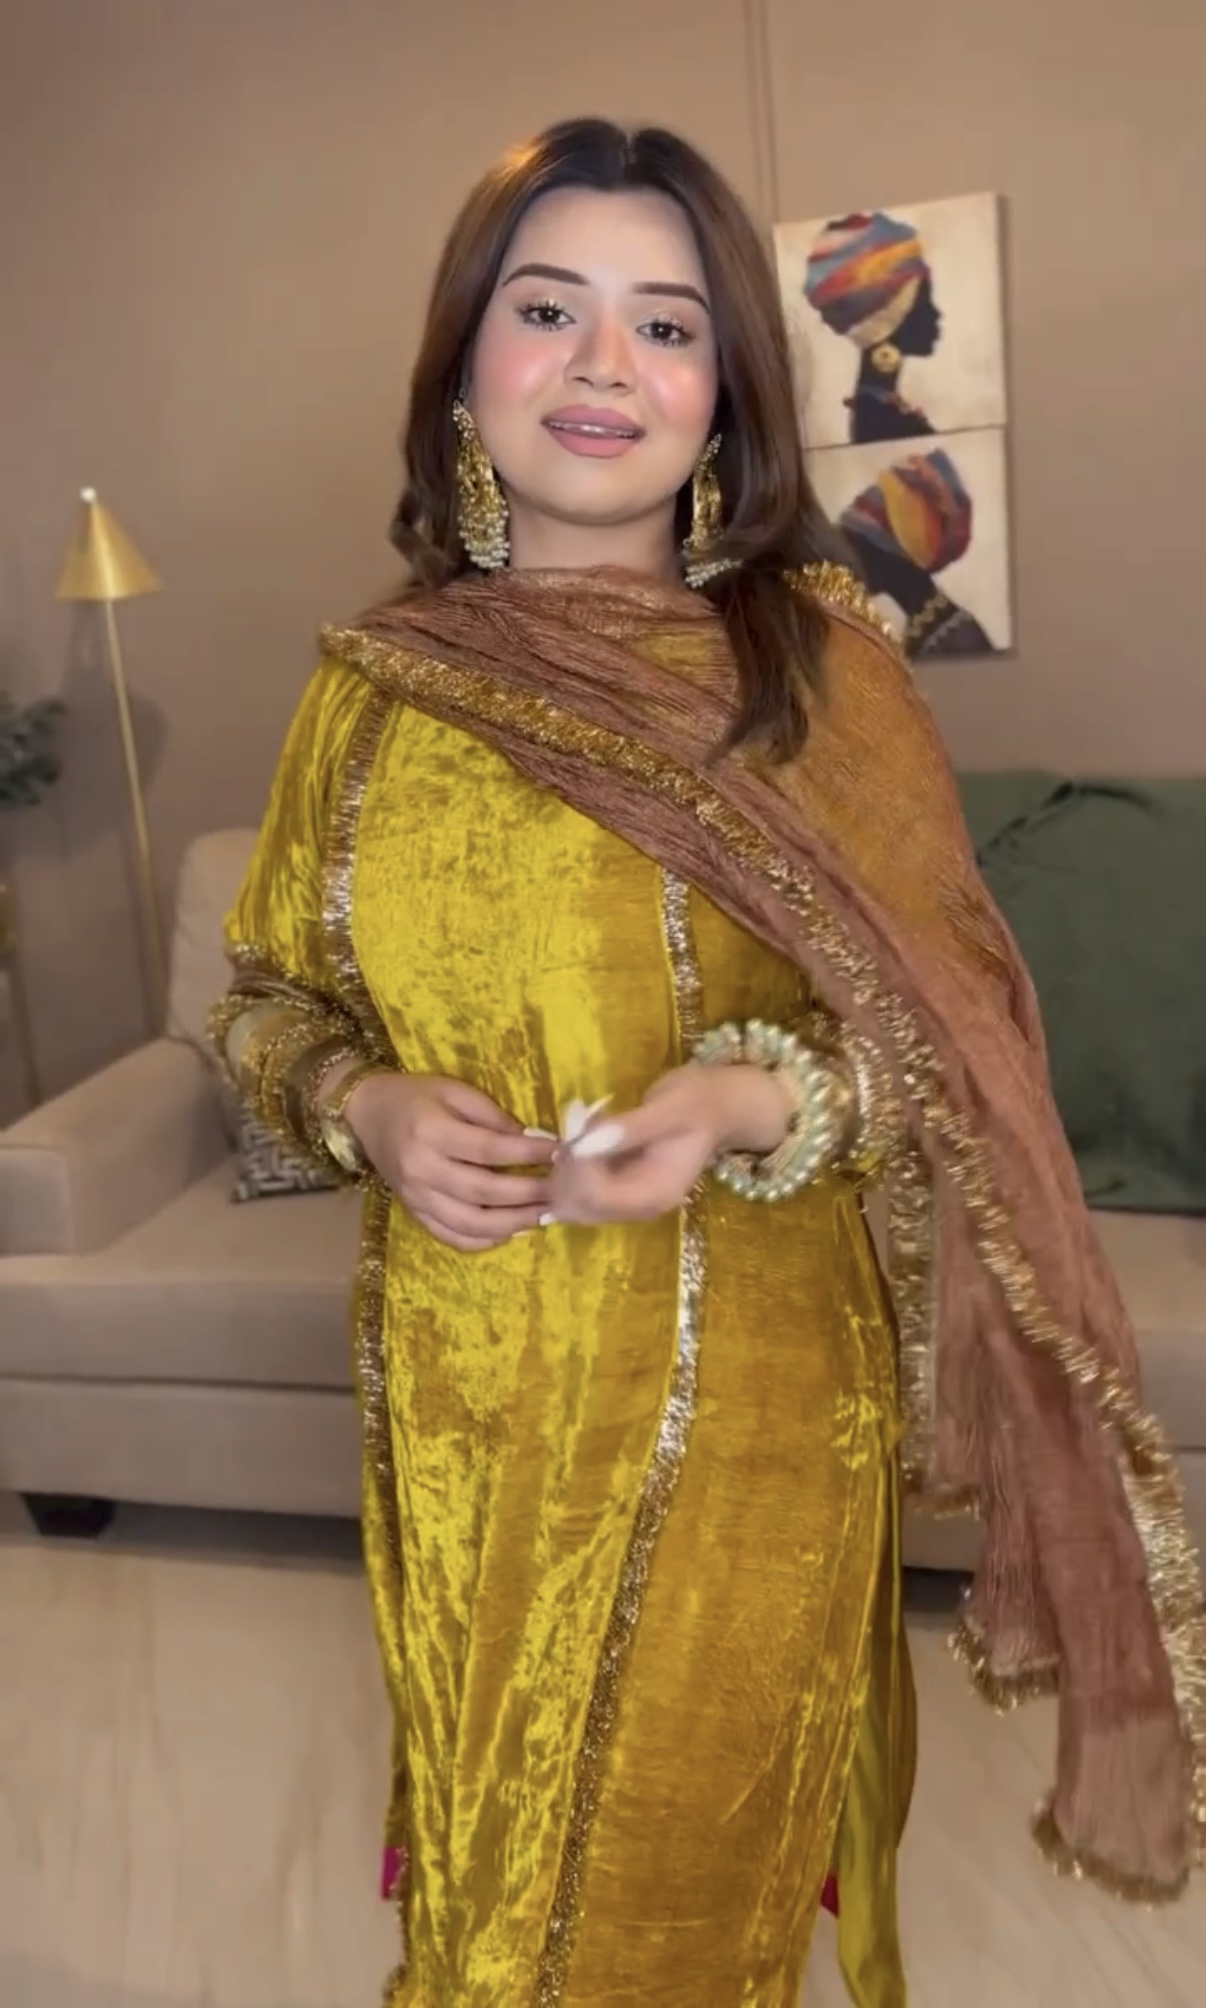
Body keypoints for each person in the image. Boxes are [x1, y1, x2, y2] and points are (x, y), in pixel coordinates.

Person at [210, 118, 1203, 2008]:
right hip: (460, 1408)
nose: (604, 365)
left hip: (743, 1401)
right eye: (547, 309)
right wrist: (364, 1104)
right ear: (462, 361)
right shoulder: (368, 689)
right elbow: (264, 1000)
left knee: (661, 1922)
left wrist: (750, 1099)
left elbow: (953, 1050)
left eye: (665, 325)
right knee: (493, 1892)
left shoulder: (820, 676)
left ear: (726, 390)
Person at [838, 449, 997, 659]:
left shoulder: (958, 641)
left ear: (895, 556)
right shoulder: (930, 630)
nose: (847, 561)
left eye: (856, 546)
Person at [803, 210, 940, 445]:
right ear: (885, 319)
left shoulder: (878, 410)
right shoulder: (885, 421)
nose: (936, 314)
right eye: (924, 302)